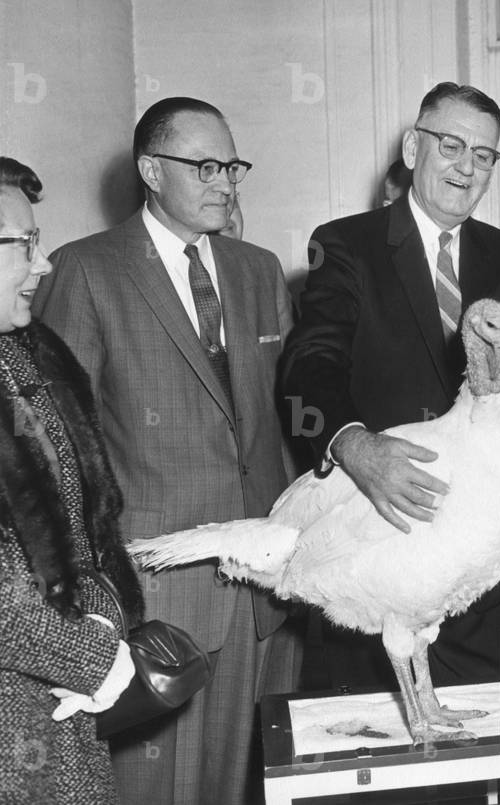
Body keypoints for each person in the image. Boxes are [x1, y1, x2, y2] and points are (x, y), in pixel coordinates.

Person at [33, 97, 302, 805]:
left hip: (263, 588)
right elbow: (60, 445)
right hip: (158, 589)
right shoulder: (86, 269)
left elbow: (282, 422)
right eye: (204, 166)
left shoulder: (257, 269)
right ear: (152, 171)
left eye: (232, 167)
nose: (225, 182)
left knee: (246, 786)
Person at [279, 82, 500, 686]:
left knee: (484, 725)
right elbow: (310, 365)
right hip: (376, 551)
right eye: (451, 146)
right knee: (362, 731)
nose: (466, 167)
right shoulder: (345, 244)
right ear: (413, 148)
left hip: (473, 571)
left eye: (483, 155)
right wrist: (354, 447)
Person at [0, 157, 142, 803]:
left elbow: (84, 522)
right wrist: (89, 654)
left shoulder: (25, 350)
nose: (44, 264)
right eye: (24, 244)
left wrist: (105, 620)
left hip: (58, 707)